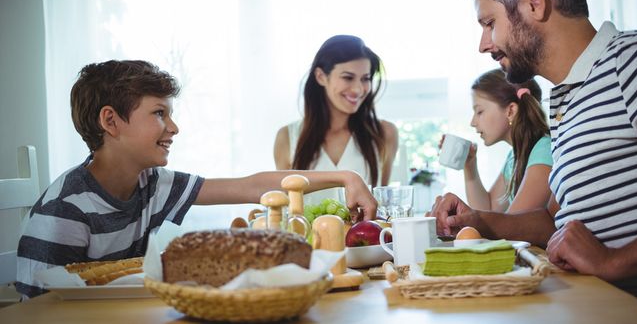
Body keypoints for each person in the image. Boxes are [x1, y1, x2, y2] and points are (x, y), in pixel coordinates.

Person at [430, 0, 637, 313]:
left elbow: (602, 255)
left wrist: (614, 261)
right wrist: (478, 220)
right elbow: (552, 223)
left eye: (489, 23)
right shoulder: (563, 100)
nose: (484, 45)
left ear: (533, 1)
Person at [16, 60, 378, 299]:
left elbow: (252, 185)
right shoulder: (65, 209)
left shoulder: (153, 183)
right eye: (159, 114)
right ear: (110, 122)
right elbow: (41, 309)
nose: (173, 128)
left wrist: (344, 177)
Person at [274, 35, 398, 189]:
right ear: (321, 77)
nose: (358, 89)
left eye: (365, 79)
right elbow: (286, 203)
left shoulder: (385, 133)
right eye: (348, 77)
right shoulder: (287, 137)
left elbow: (381, 202)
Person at [459, 69, 551, 213]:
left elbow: (514, 223)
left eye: (479, 111)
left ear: (511, 111)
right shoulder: (513, 158)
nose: (472, 122)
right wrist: (469, 165)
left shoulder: (544, 150)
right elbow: (489, 210)